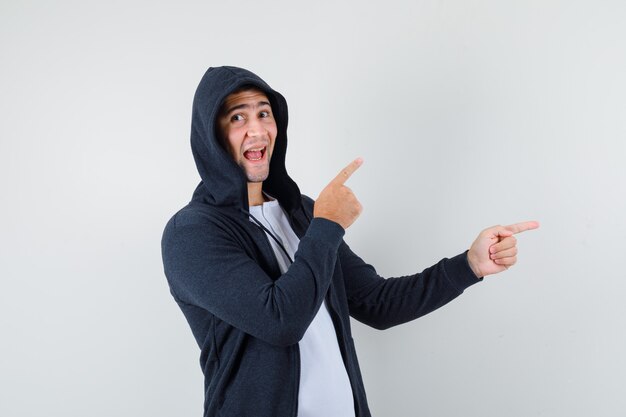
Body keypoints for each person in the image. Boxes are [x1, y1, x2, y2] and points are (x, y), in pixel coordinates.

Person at [161, 66, 539, 417]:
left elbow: (377, 303)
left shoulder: (303, 213)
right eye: (237, 117)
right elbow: (280, 321)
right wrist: (327, 225)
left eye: (264, 113)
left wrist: (469, 265)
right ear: (211, 137)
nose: (257, 130)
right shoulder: (193, 232)